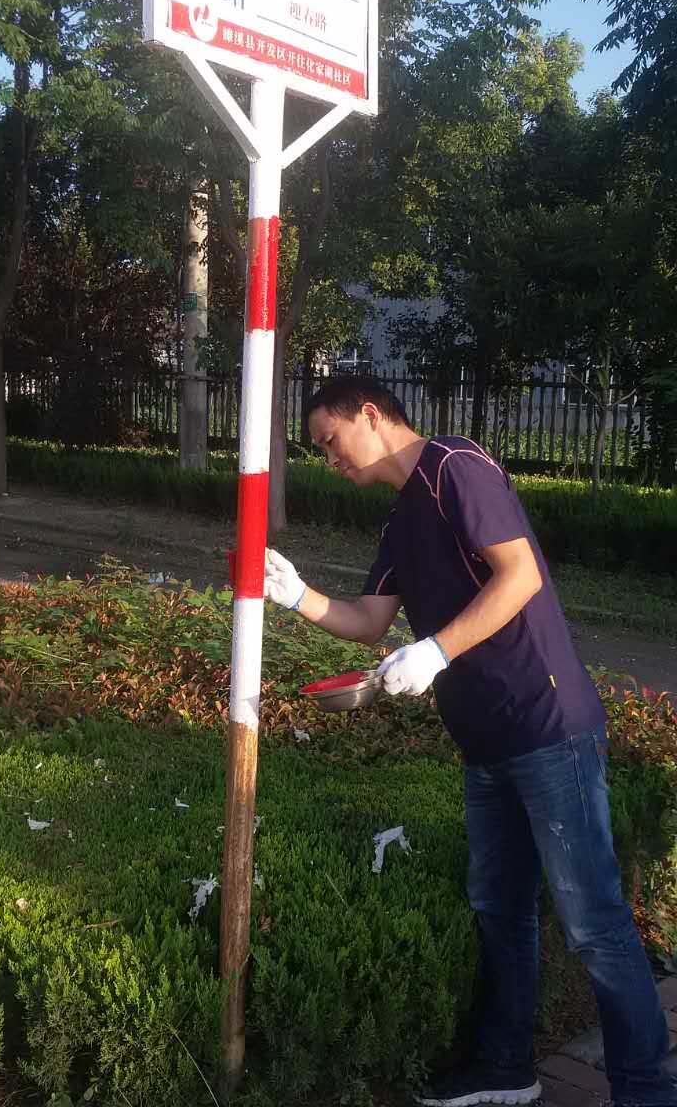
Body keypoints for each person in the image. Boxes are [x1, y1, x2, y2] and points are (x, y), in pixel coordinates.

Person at [263, 375, 676, 1107]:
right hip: (485, 742)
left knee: (594, 923)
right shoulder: (400, 519)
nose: (329, 459)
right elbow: (369, 621)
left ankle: (645, 1089)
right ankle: (507, 1066)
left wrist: (436, 650)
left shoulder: (455, 466)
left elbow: (519, 576)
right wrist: (298, 596)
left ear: (369, 414)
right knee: (500, 909)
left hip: (546, 726)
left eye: (329, 441)